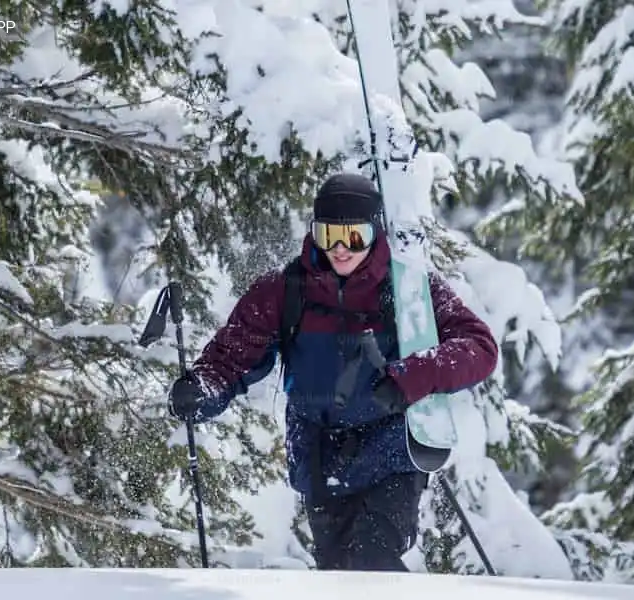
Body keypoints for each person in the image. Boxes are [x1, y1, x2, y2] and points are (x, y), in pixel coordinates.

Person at [165, 172, 498, 571]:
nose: (340, 249)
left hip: (391, 452)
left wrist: (409, 377)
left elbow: (479, 347)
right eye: (328, 236)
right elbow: (233, 355)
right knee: (337, 575)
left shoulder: (409, 288)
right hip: (320, 457)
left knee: (373, 561)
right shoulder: (284, 290)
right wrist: (202, 387)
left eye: (353, 237)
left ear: (374, 232)